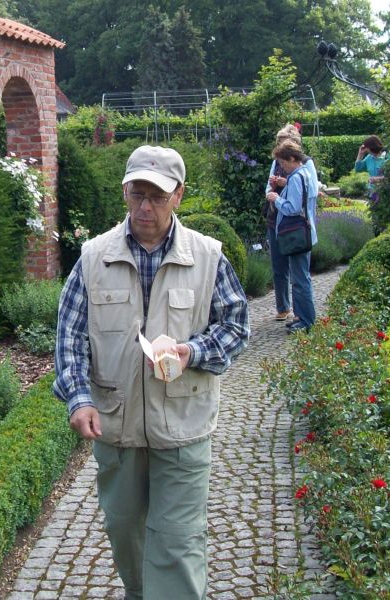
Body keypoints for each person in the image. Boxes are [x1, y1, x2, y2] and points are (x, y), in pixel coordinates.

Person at [54, 145, 250, 600]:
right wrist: (79, 398)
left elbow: (236, 327)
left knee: (177, 543)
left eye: (157, 197)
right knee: (127, 536)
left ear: (178, 195)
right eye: (137, 194)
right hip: (117, 428)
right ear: (125, 191)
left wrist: (193, 351)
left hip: (182, 427)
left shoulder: (207, 257)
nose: (145, 207)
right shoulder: (92, 258)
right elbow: (69, 336)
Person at [264, 124, 319, 323]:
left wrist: (280, 192)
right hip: (281, 222)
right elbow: (270, 188)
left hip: (297, 226)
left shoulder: (302, 169)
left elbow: (303, 198)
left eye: (284, 142)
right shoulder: (285, 165)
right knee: (283, 269)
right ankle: (288, 310)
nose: (281, 145)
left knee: (299, 277)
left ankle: (304, 318)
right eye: (279, 141)